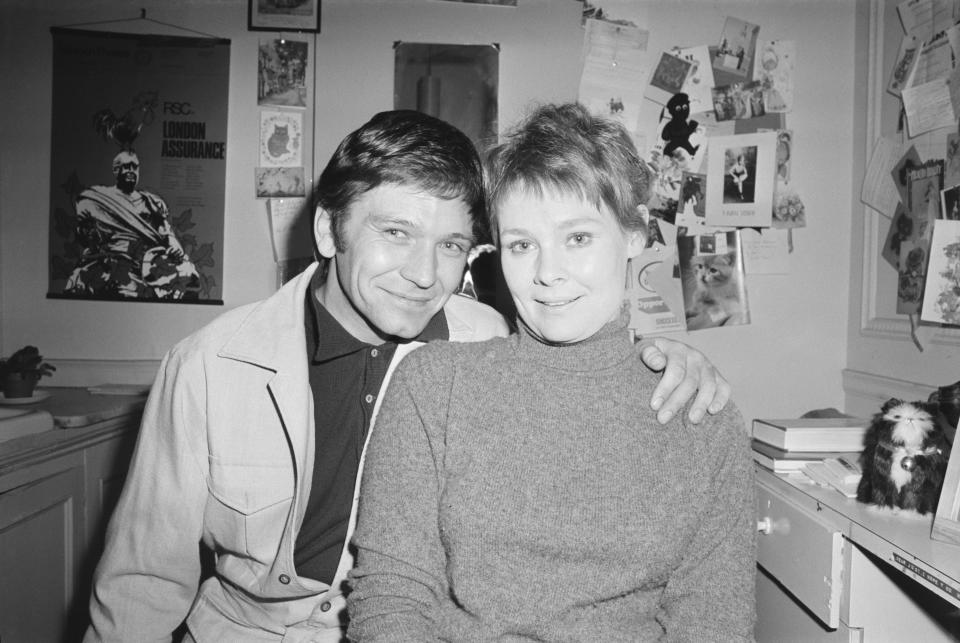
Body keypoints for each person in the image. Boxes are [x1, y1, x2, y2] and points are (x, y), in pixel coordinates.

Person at [84, 109, 731, 642]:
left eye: (451, 245)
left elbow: (571, 365)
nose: (425, 273)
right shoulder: (210, 366)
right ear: (327, 230)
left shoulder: (478, 336)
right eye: (397, 232)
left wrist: (666, 358)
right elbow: (140, 587)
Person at [347, 103, 756, 641]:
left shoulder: (703, 418)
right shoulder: (434, 387)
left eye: (578, 238)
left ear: (634, 234)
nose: (547, 273)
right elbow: (391, 600)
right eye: (522, 245)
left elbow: (713, 626)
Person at [65, 149, 200, 300]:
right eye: (126, 166)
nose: (131, 170)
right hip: (112, 257)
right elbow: (84, 231)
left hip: (147, 263)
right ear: (116, 170)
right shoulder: (96, 198)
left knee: (188, 279)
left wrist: (175, 248)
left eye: (135, 167)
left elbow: (167, 234)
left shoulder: (151, 203)